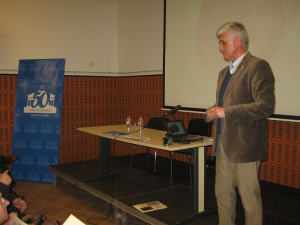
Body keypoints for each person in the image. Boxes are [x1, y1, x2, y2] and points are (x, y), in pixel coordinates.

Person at [206, 22, 275, 225]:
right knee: (223, 197)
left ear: (237, 41)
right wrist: (214, 111)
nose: (219, 48)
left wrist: (225, 111)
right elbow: (226, 104)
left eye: (223, 43)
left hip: (244, 147)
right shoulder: (223, 73)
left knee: (249, 201)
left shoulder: (257, 66)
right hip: (222, 145)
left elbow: (265, 107)